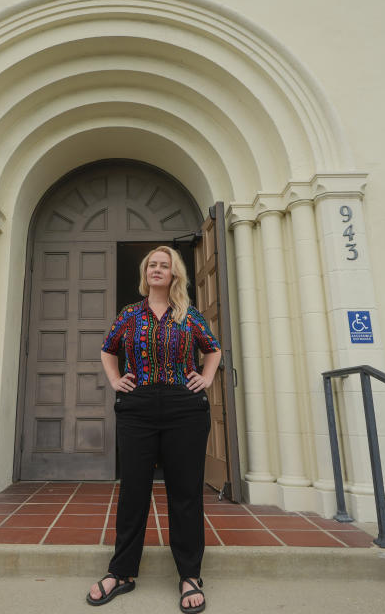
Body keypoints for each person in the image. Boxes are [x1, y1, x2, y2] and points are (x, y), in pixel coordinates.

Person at [86, 246, 222, 614]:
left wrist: (206, 377)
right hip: (138, 407)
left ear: (175, 273)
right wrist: (115, 380)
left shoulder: (189, 316)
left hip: (184, 407)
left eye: (164, 265)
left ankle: (190, 575)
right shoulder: (129, 315)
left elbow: (213, 349)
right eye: (152, 265)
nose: (157, 270)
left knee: (186, 493)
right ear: (145, 273)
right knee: (134, 491)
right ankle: (122, 571)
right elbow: (107, 349)